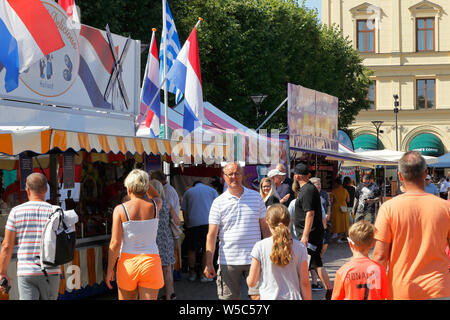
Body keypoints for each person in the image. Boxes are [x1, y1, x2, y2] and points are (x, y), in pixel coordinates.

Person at [372, 151, 450, 300]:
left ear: (400, 176)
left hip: (401, 289)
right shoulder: (445, 208)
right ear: (426, 173)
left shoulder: (389, 208)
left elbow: (380, 256)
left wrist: (375, 291)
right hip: (439, 288)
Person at [203, 162, 271, 300]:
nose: (234, 177)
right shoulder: (218, 202)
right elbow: (211, 235)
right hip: (228, 260)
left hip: (255, 258)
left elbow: (265, 228)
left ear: (242, 175)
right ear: (224, 177)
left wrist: (271, 253)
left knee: (259, 297)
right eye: (230, 174)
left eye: (237, 173)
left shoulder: (256, 197)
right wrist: (209, 263)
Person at [0, 173, 60, 300]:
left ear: (27, 189)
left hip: (26, 271)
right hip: (51, 271)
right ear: (46, 189)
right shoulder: (56, 212)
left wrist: (2, 272)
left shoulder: (16, 212)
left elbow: (6, 245)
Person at [106, 169, 164, 300]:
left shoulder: (120, 209)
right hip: (151, 262)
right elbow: (157, 195)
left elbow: (115, 243)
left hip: (128, 263)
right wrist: (144, 182)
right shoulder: (155, 205)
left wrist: (110, 270)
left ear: (129, 189)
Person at [246, 204, 311, 300]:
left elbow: (252, 282)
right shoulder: (300, 247)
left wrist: (248, 279)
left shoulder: (260, 247)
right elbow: (305, 282)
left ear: (267, 221)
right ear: (289, 222)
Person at [292, 163, 333, 300]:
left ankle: (330, 291)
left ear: (297, 176)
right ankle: (328, 290)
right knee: (313, 263)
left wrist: (305, 236)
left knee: (315, 263)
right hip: (311, 234)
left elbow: (310, 213)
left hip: (311, 235)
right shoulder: (307, 189)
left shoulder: (307, 190)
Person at [331, 220, 388, 300]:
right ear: (372, 244)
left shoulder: (343, 271)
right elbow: (384, 296)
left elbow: (336, 298)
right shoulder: (380, 270)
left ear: (350, 244)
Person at [181, 180, 218, 282]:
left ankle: (192, 274)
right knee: (207, 249)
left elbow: (184, 210)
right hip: (209, 223)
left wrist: (187, 224)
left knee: (192, 249)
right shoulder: (211, 191)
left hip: (193, 223)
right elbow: (218, 208)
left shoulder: (188, 192)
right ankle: (204, 274)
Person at [150, 179, 181, 300]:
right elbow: (177, 221)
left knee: (153, 269)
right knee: (167, 268)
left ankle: (153, 295)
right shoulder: (167, 204)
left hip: (152, 239)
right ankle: (169, 295)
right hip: (166, 238)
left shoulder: (148, 205)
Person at [309, 177, 330, 291]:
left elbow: (328, 205)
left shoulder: (324, 194)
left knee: (322, 249)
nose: (319, 186)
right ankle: (315, 282)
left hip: (324, 228)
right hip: (315, 230)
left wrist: (328, 214)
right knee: (315, 259)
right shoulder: (310, 196)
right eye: (317, 184)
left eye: (320, 184)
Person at [330, 177, 350, 243]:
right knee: (343, 222)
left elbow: (331, 201)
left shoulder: (334, 191)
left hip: (336, 207)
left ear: (336, 183)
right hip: (344, 207)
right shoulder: (345, 190)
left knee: (336, 221)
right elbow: (348, 200)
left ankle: (336, 234)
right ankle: (342, 236)